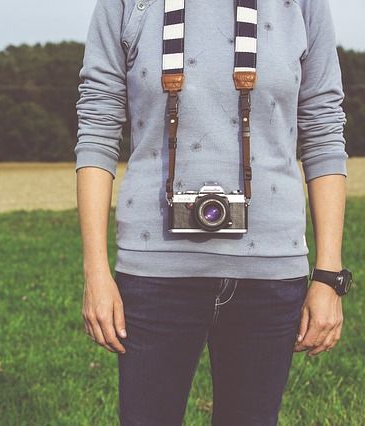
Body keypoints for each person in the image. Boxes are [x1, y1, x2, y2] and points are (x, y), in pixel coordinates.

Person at [74, 0, 352, 424]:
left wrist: (329, 276)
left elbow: (324, 130)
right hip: (154, 272)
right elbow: (97, 126)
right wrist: (95, 272)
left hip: (271, 273)